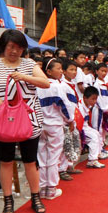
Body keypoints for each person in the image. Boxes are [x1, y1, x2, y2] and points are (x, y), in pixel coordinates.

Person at [0, 29, 50, 213]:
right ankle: (8, 200)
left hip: (29, 122)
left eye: (19, 48)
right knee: (5, 162)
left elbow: (45, 82)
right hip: (2, 122)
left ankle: (35, 196)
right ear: (4, 46)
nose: (15, 51)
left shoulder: (29, 64)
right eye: (11, 47)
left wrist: (24, 77)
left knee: (30, 161)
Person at [36, 57, 70, 198]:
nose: (61, 71)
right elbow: (65, 106)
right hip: (54, 124)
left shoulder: (37, 85)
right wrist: (70, 120)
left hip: (41, 124)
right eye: (58, 68)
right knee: (54, 156)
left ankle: (42, 187)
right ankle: (51, 188)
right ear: (49, 71)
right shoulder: (57, 86)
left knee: (42, 156)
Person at [79, 85, 107, 168]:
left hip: (85, 126)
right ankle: (92, 160)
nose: (94, 101)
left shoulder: (88, 105)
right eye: (93, 99)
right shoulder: (80, 106)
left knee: (96, 133)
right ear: (85, 98)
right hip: (80, 127)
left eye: (96, 99)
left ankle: (97, 155)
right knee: (93, 136)